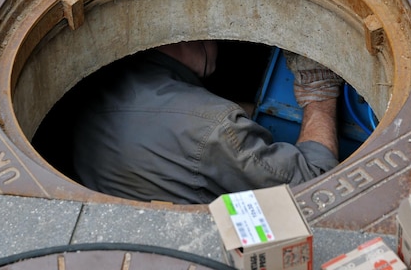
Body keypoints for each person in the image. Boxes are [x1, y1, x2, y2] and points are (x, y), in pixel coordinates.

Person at [71, 40, 343, 204]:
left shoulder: (94, 87)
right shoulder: (214, 126)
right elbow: (313, 184)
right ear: (184, 38)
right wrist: (318, 95)